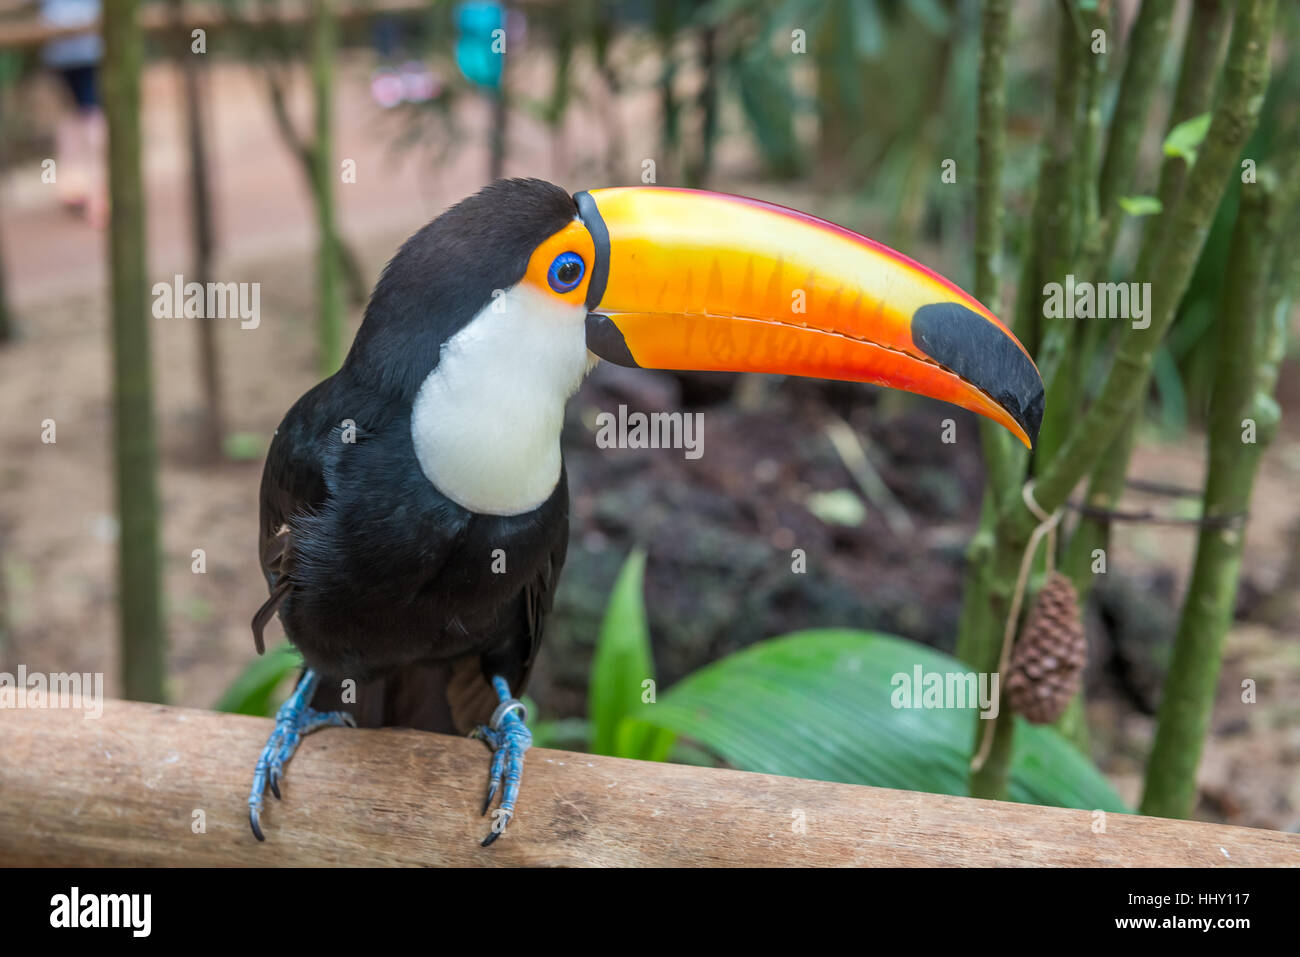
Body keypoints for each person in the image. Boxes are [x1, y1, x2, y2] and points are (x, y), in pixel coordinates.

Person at [40, 0, 106, 226]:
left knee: (86, 116)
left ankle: (93, 191)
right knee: (83, 116)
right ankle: (84, 190)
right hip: (71, 50)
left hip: (81, 47)